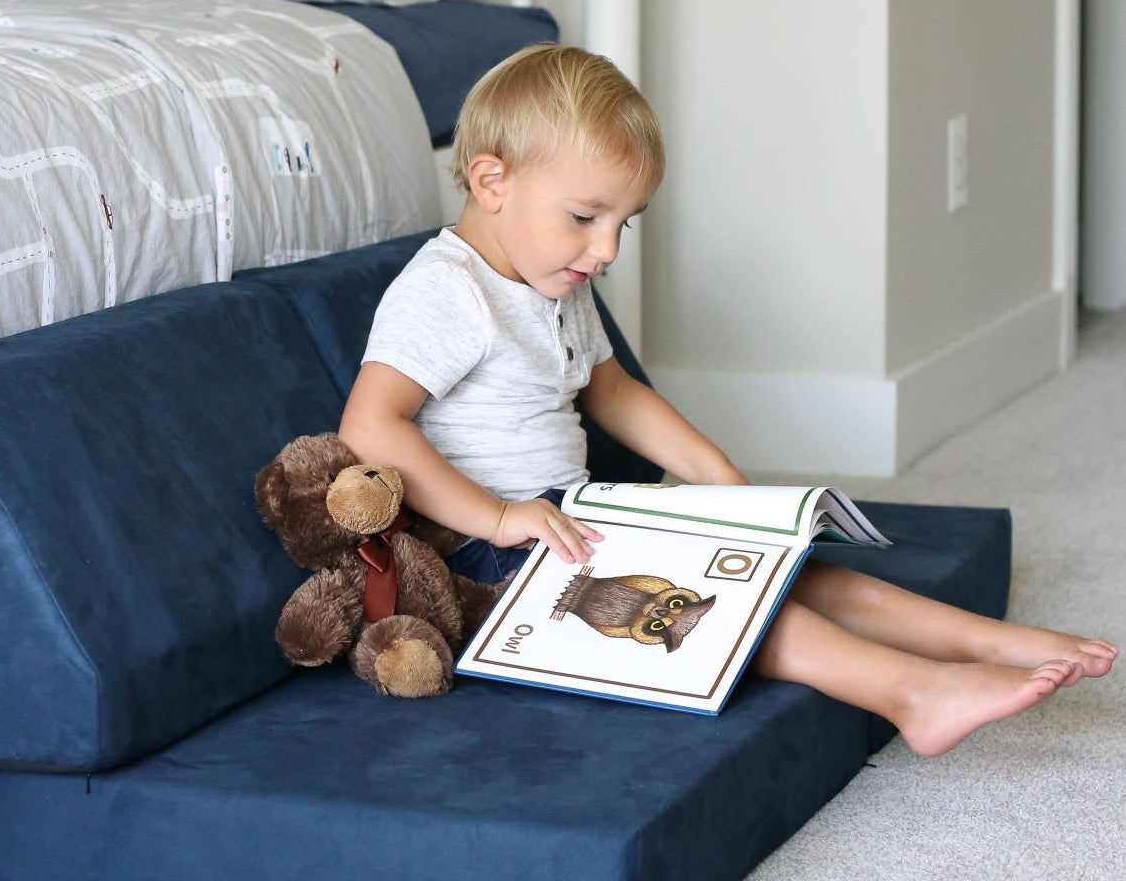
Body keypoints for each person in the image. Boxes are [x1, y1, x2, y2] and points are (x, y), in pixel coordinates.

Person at [339, 45, 1116, 756]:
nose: (606, 249)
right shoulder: (449, 289)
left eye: (622, 224)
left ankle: (985, 641)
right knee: (718, 609)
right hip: (487, 550)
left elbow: (610, 388)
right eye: (585, 217)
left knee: (799, 570)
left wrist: (718, 478)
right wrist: (500, 518)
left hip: (570, 513)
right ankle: (914, 692)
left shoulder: (550, 273)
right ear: (489, 182)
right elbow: (371, 423)